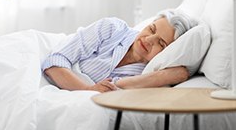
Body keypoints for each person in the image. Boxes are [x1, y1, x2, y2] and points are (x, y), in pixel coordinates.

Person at [41, 10, 196, 93]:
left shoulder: (147, 72)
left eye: (161, 43)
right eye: (151, 29)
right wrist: (88, 90)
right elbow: (54, 62)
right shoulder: (112, 28)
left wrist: (168, 75)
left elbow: (119, 88)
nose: (148, 40)